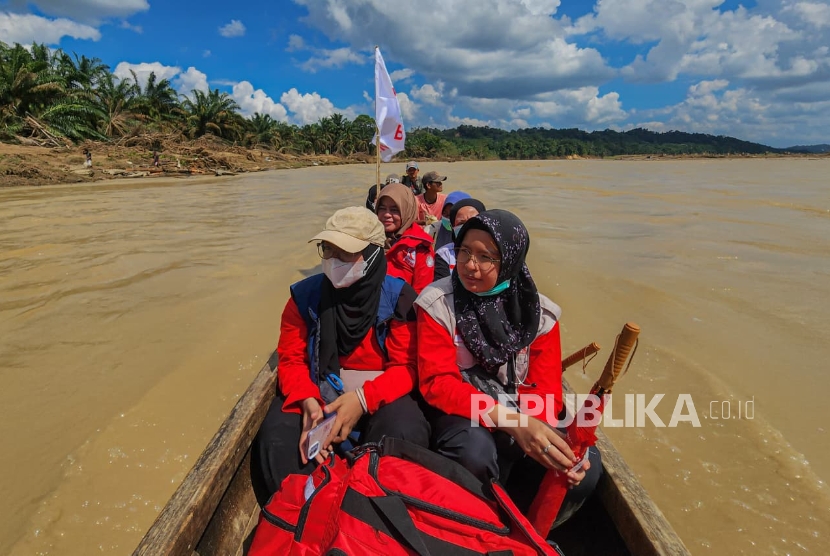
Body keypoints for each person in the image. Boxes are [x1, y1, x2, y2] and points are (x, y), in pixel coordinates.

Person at [414, 209, 601, 530]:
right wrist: (512, 423)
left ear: (511, 262)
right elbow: (438, 384)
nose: (470, 265)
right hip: (461, 411)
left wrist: (541, 432)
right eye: (465, 252)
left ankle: (527, 529)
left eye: (486, 257)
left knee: (583, 465)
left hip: (522, 409)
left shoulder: (540, 315)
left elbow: (546, 392)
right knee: (473, 452)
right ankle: (475, 527)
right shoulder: (437, 303)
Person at [251, 206, 430, 506]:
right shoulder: (304, 298)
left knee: (404, 430)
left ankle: (376, 508)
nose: (334, 261)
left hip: (379, 393)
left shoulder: (399, 298)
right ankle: (302, 513)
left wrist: (361, 400)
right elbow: (292, 360)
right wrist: (309, 403)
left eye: (345, 253)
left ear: (373, 255)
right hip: (319, 389)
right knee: (276, 439)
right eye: (328, 249)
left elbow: (408, 368)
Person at [375, 183, 435, 294]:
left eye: (394, 210)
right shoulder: (368, 239)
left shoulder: (420, 247)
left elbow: (422, 294)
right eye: (382, 208)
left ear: (406, 211)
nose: (387, 214)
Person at [433, 197, 486, 281]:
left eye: (472, 221)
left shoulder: (494, 251)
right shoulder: (444, 254)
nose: (467, 226)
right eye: (461, 223)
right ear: (452, 227)